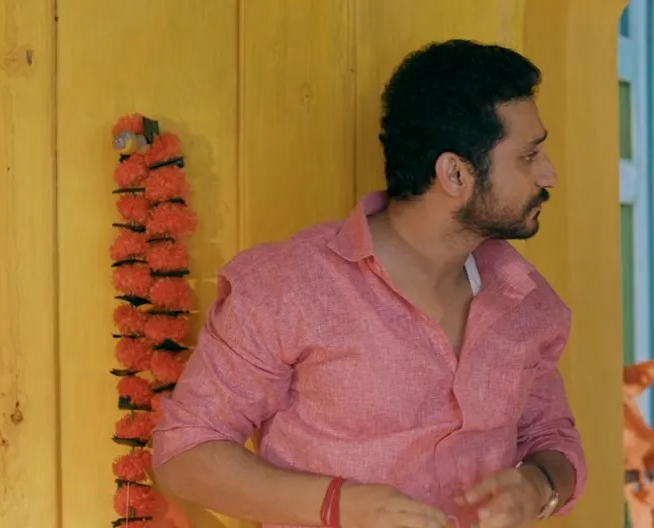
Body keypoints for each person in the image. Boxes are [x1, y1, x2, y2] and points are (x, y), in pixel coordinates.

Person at [152, 39, 586, 528]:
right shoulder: (287, 287)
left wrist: (540, 487)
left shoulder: (527, 301)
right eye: (529, 156)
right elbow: (185, 455)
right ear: (454, 173)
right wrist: (339, 505)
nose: (548, 174)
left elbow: (554, 440)